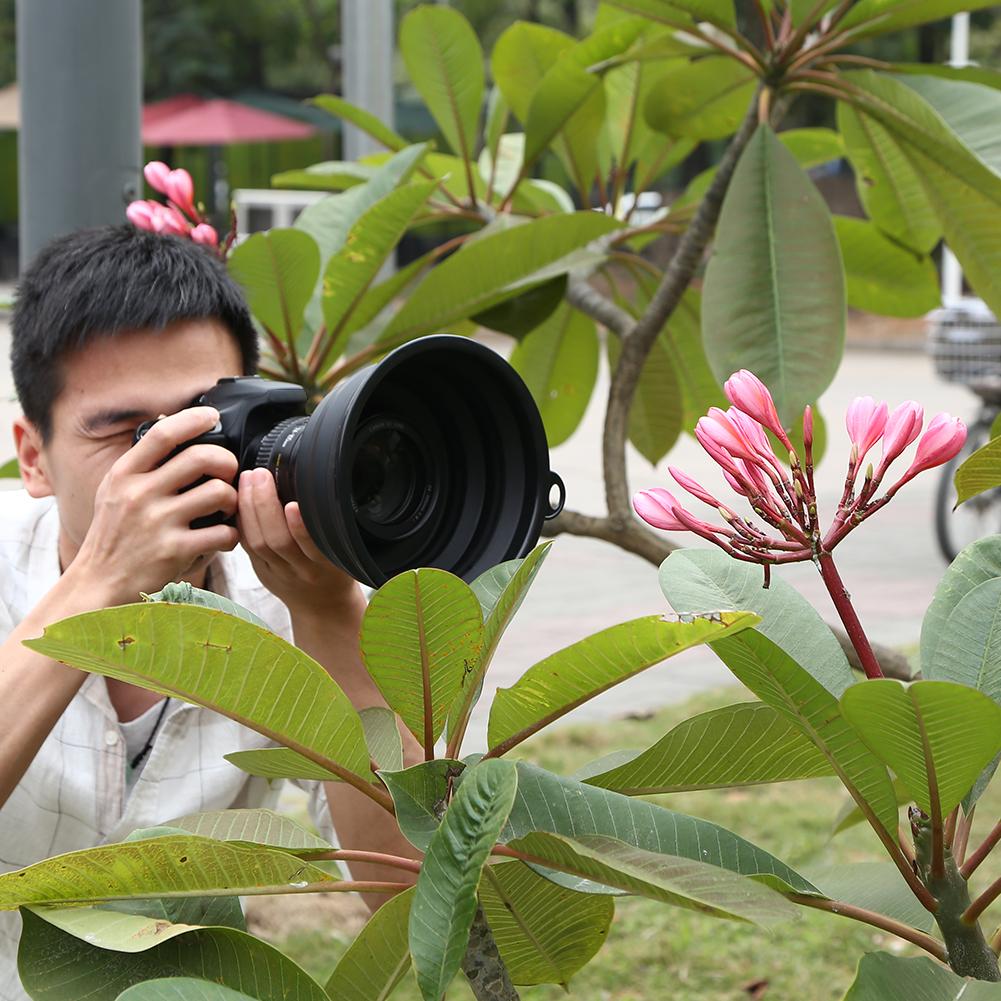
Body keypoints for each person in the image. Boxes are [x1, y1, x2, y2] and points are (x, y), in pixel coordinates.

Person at [0, 225, 419, 1000]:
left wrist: (331, 618)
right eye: (132, 434)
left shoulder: (283, 599)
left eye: (209, 419)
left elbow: (417, 899)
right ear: (33, 456)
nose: (183, 465)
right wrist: (98, 581)